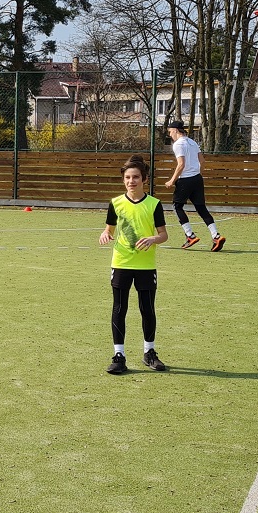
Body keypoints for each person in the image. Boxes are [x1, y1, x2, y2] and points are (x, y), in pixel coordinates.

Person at [99, 154, 169, 375]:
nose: (131, 181)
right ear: (124, 180)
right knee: (119, 309)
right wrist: (105, 234)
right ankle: (119, 356)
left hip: (146, 267)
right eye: (128, 177)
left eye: (136, 177)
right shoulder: (116, 203)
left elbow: (164, 235)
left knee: (147, 309)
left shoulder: (154, 204)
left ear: (144, 179)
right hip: (121, 263)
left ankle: (149, 352)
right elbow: (109, 229)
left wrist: (153, 239)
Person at [163, 120, 225, 251]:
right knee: (201, 208)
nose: (170, 134)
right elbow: (202, 161)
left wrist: (172, 181)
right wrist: (198, 175)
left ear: (175, 130)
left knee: (177, 206)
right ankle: (216, 236)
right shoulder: (193, 142)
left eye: (170, 132)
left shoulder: (178, 144)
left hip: (185, 180)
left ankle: (190, 235)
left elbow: (181, 165)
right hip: (197, 179)